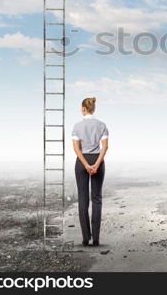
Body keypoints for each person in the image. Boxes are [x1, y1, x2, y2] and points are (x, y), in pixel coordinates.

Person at [72, 97, 109, 246]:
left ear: (83, 108)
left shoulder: (77, 126)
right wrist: (96, 164)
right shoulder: (102, 125)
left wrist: (86, 164)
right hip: (97, 160)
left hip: (82, 162)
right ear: (94, 109)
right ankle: (96, 239)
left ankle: (86, 238)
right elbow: (105, 147)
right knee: (97, 199)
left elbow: (76, 148)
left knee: (83, 199)